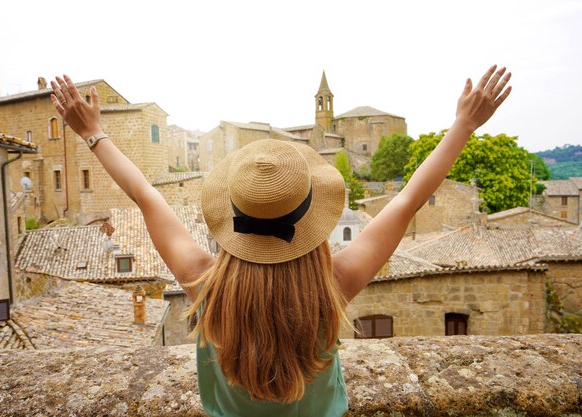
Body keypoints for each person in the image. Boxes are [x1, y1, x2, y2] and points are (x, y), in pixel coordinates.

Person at [50, 65, 511, 417]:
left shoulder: (203, 285)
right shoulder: (333, 285)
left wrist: (92, 132)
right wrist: (464, 126)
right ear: (312, 215)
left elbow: (146, 196)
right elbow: (409, 199)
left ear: (232, 214)